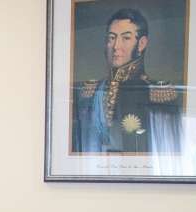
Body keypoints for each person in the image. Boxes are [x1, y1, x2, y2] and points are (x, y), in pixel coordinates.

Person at [72, 8, 181, 154]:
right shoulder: (90, 92)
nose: (116, 46)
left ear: (141, 44)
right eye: (112, 38)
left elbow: (167, 151)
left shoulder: (157, 94)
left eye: (126, 38)